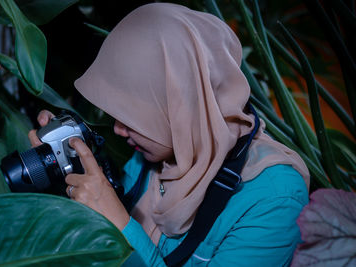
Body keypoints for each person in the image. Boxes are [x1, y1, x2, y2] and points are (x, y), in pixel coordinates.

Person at [29, 3, 310, 266]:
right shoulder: (161, 149)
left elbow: (118, 226)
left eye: (132, 114)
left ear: (181, 105)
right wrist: (66, 173)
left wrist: (119, 225)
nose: (117, 129)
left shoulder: (275, 199)